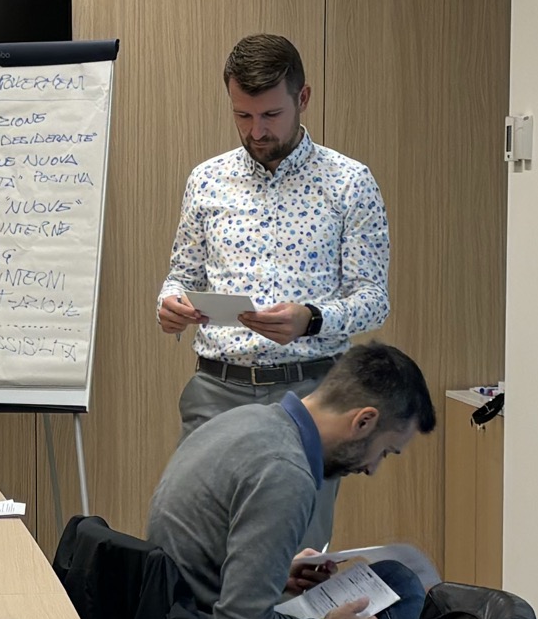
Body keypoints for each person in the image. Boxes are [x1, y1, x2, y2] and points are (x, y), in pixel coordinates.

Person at [145, 338, 437, 619]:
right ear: (364, 421)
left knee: (396, 579)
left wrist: (278, 573)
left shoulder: (248, 421)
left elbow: (208, 562)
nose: (372, 469)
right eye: (384, 452)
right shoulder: (285, 473)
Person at [154, 35, 391, 533]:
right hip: (217, 390)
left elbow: (373, 299)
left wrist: (313, 319)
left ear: (303, 98)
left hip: (310, 394)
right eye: (242, 115)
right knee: (192, 540)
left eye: (271, 115)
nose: (256, 131)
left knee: (296, 550)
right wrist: (170, 302)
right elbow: (183, 275)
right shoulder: (207, 180)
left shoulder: (349, 182)